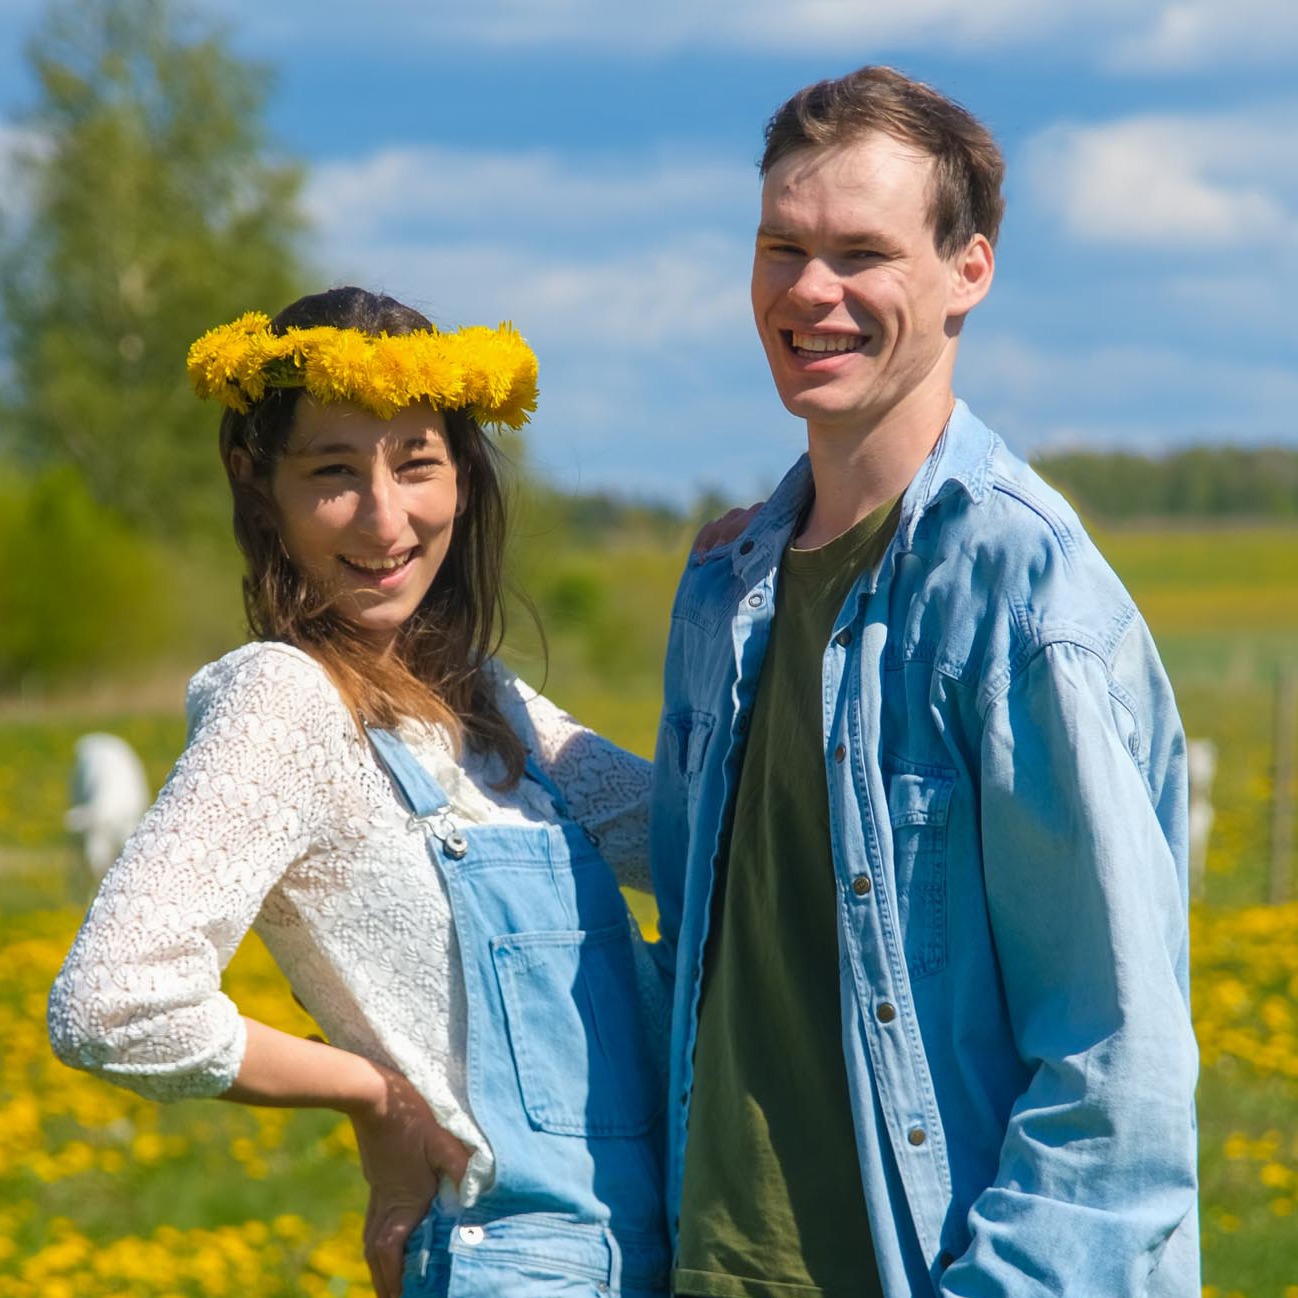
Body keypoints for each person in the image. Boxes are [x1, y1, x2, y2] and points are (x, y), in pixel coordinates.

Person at [649, 66, 1199, 1298]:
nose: (808, 291)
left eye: (860, 251)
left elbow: (1116, 1082)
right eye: (780, 246)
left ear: (969, 271)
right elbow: (700, 931)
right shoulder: (724, 591)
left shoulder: (1023, 599)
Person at [48, 287, 674, 1298]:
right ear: (264, 490)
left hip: (659, 1248)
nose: (386, 518)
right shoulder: (284, 699)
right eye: (333, 473)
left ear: (462, 477)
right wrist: (373, 1095)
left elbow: (701, 843)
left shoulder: (494, 705)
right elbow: (112, 1002)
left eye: (415, 463)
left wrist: (759, 579)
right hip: (508, 1262)